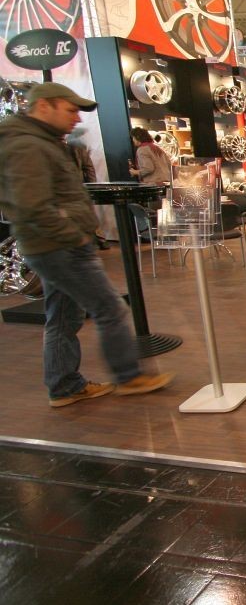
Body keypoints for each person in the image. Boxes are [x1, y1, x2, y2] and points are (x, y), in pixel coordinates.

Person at [0, 83, 174, 407]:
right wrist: (74, 235)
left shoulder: (37, 142)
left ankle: (64, 386)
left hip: (52, 245)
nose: (76, 118)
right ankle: (129, 377)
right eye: (70, 110)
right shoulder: (27, 146)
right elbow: (31, 206)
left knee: (63, 318)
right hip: (59, 247)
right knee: (110, 308)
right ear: (44, 106)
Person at [66, 127, 109, 250]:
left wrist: (92, 186)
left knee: (88, 213)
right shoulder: (56, 147)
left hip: (79, 187)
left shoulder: (77, 148)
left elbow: (88, 167)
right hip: (67, 189)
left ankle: (99, 239)